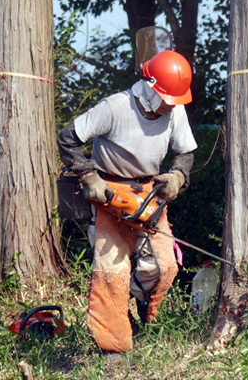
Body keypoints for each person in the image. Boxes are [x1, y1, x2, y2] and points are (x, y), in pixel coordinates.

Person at [57, 50, 197, 353]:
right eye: (165, 99)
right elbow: (68, 138)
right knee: (111, 271)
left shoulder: (174, 108)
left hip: (149, 192)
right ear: (150, 86)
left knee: (164, 267)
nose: (169, 106)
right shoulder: (115, 107)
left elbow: (186, 152)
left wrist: (177, 177)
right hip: (109, 193)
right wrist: (88, 177)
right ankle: (113, 347)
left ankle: (137, 310)